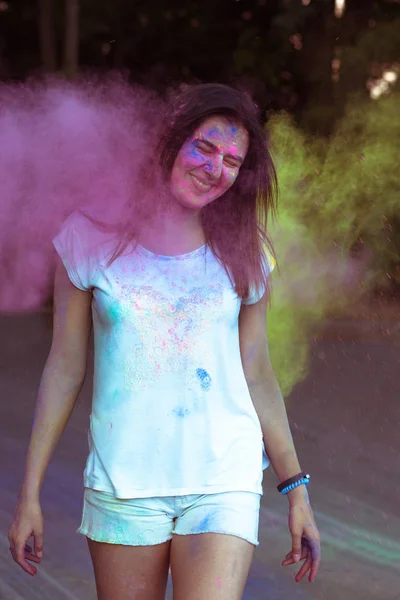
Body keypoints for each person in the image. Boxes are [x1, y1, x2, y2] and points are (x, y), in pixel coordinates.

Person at [8, 83, 321, 600]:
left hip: (223, 478)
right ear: (171, 140)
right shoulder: (88, 240)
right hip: (123, 484)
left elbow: (258, 373)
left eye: (232, 160)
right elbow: (65, 368)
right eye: (204, 146)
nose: (214, 167)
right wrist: (29, 494)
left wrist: (296, 490)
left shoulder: (243, 251)